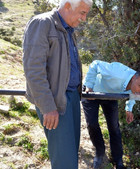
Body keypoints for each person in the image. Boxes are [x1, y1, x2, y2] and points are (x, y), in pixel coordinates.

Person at [22, 0, 92, 168]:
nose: (84, 18)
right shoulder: (42, 23)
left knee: (70, 155)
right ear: (67, 6)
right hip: (55, 102)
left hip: (72, 98)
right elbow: (33, 70)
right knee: (65, 162)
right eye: (82, 13)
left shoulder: (69, 29)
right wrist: (47, 107)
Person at [82, 60, 140, 169]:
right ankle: (99, 152)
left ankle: (118, 161)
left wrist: (129, 108)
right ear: (134, 78)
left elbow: (134, 93)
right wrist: (89, 86)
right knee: (92, 124)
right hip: (92, 92)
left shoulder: (137, 83)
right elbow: (95, 64)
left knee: (114, 127)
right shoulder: (117, 73)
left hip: (111, 96)